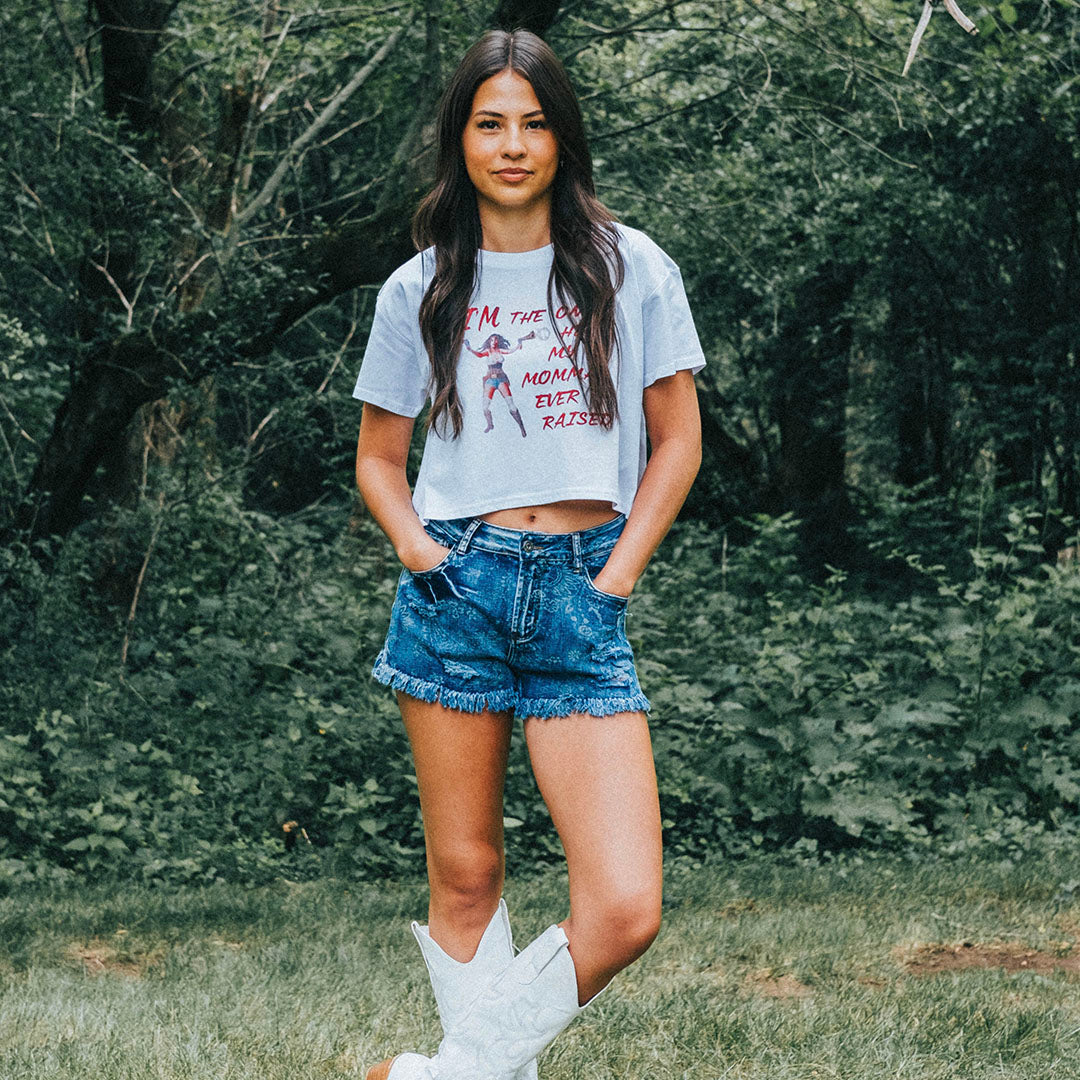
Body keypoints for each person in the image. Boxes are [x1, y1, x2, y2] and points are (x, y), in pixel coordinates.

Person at [352, 27, 704, 1080]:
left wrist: (618, 574)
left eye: (535, 123)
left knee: (627, 907)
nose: (513, 144)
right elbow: (377, 459)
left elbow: (678, 441)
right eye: (490, 123)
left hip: (580, 592)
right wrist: (421, 552)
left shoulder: (629, 266)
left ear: (565, 137)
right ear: (461, 139)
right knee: (465, 874)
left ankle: (440, 1075)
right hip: (454, 583)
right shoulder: (417, 287)